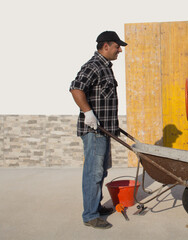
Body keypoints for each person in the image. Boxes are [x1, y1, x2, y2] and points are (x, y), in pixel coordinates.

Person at [69, 31, 127, 229]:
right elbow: (76, 88)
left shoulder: (105, 67)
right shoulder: (93, 66)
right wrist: (88, 113)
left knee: (100, 172)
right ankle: (90, 215)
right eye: (117, 46)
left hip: (104, 130)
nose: (120, 50)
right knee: (93, 174)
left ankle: (96, 206)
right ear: (106, 46)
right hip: (94, 132)